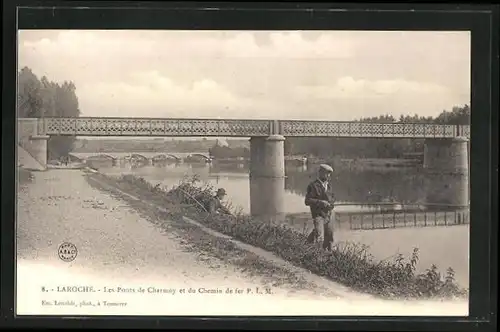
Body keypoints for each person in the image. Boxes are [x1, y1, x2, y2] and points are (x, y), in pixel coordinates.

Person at [304, 164, 335, 251]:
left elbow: (333, 199)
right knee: (319, 236)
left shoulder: (329, 186)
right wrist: (321, 202)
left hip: (329, 214)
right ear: (320, 173)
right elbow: (307, 201)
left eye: (329, 174)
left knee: (329, 236)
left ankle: (329, 255)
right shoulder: (313, 185)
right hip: (318, 215)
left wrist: (331, 204)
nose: (328, 176)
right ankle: (318, 255)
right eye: (326, 173)